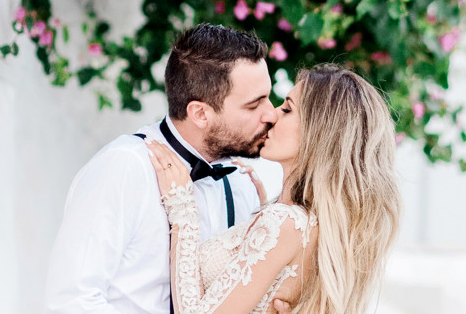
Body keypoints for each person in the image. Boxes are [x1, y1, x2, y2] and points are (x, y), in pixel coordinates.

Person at [44, 23, 286, 314]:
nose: (271, 114)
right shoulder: (123, 168)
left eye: (268, 97)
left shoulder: (241, 182)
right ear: (200, 113)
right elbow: (71, 300)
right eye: (253, 105)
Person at [146, 63, 401, 314]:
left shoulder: (284, 222)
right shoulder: (310, 222)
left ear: (318, 133)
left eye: (287, 109)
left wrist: (183, 211)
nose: (272, 115)